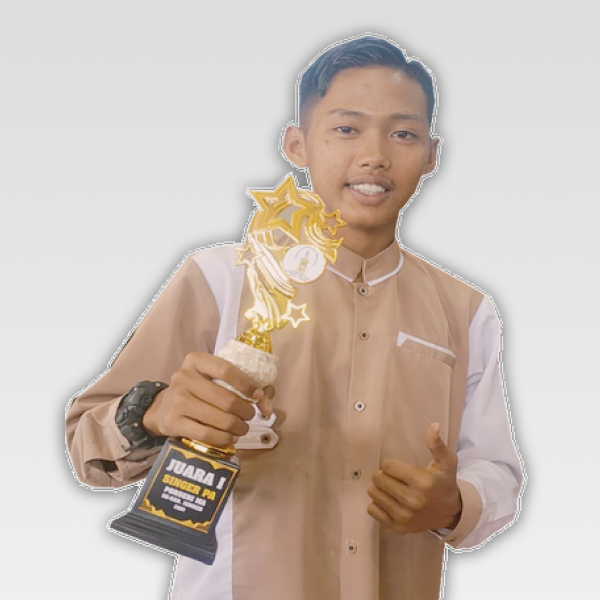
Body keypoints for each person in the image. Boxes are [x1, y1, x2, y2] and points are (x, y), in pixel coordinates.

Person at [66, 35, 524, 600]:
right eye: (347, 128)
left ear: (432, 154)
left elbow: (497, 472)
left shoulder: (467, 312)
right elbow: (86, 441)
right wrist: (153, 413)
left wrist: (455, 504)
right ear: (297, 144)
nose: (375, 155)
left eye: (403, 133)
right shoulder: (221, 278)